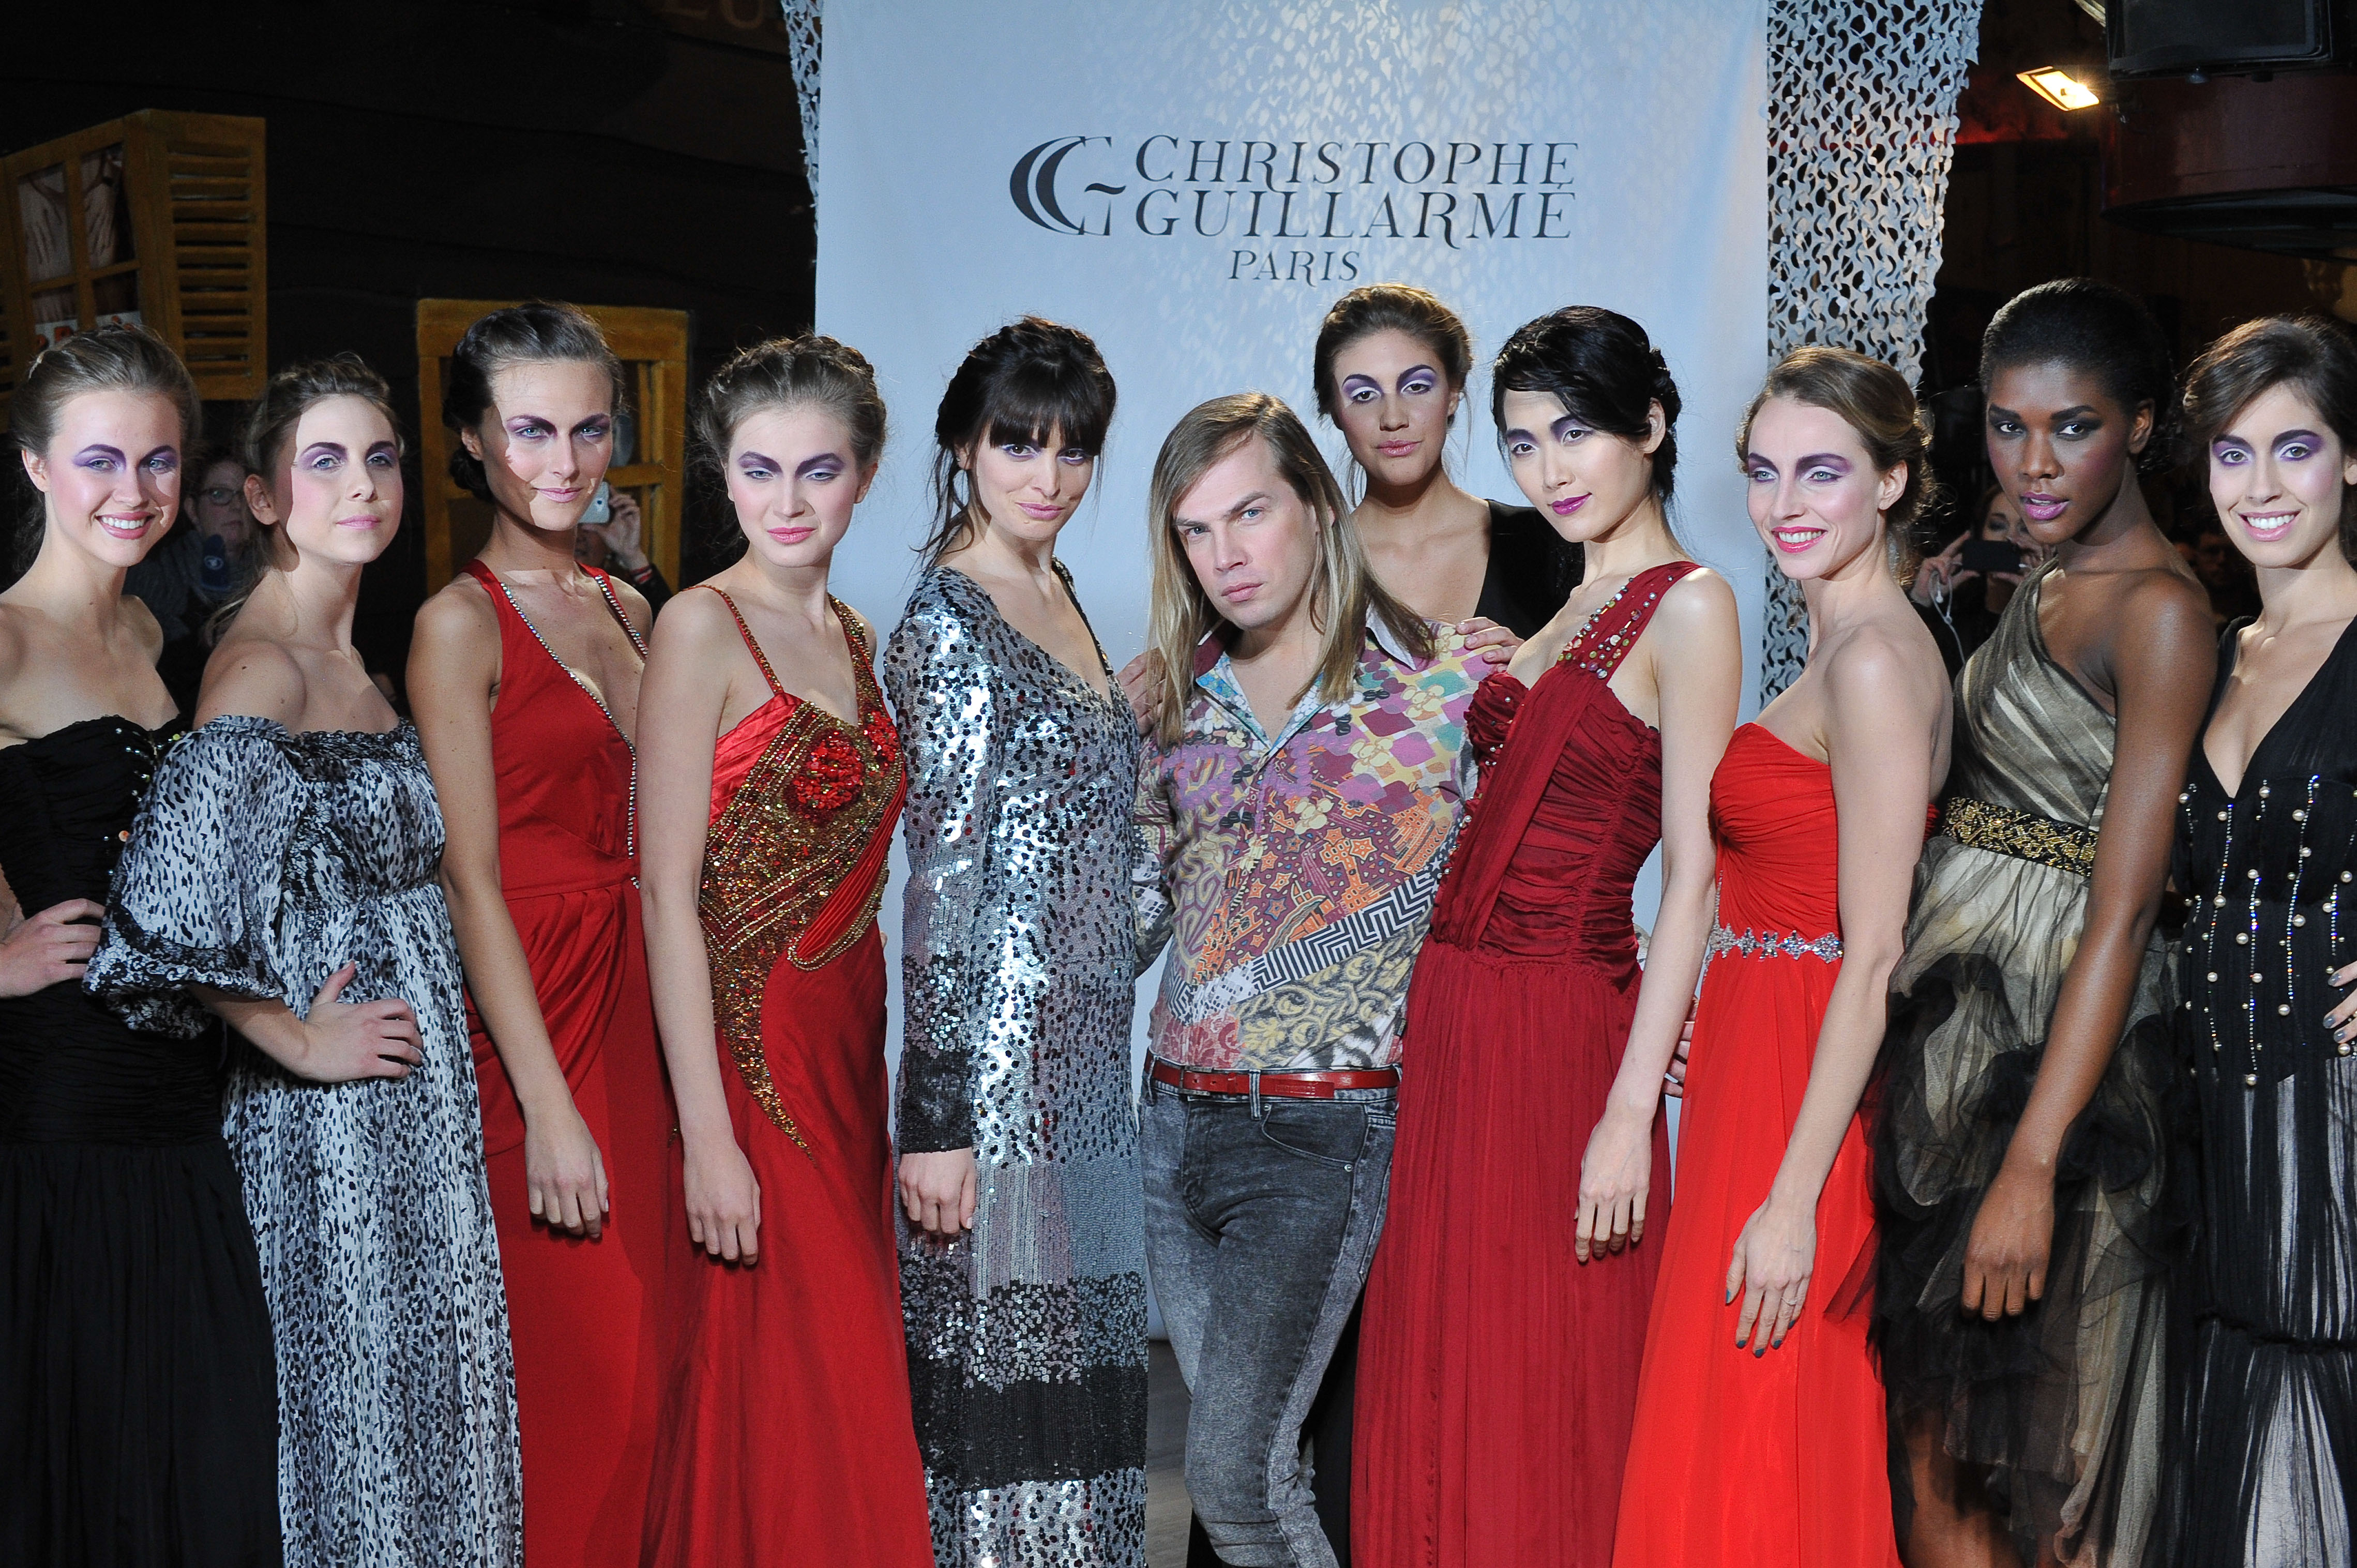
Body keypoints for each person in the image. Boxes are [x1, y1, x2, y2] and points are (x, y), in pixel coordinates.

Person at [87, 354, 523, 1567]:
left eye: (380, 457)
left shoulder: (356, 666)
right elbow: (163, 910)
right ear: (267, 498)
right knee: (352, 1417)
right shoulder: (261, 667)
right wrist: (295, 1039)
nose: (362, 484)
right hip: (325, 1134)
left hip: (418, 1105)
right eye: (324, 461)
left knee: (427, 1403)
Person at [1351, 307, 1742, 1567]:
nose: (1549, 470)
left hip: (1559, 1032)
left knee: (1541, 1381)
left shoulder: (1690, 605)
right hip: (1458, 1023)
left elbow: (1694, 877)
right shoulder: (1570, 601)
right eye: (1521, 444)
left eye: (1574, 433)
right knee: (1451, 1377)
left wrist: (1630, 1112)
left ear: (1651, 425)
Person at [1873, 280, 2212, 1568]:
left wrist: (2030, 1162)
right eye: (2008, 427)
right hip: (1967, 1032)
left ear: (2139, 426)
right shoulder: (2050, 576)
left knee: (2047, 1465)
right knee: (1945, 1454)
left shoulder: (2157, 609)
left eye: (2072, 426)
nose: (2032, 461)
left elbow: (2123, 914)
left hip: (2061, 1070)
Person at [1133, 391, 1491, 1568]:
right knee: (1250, 1479)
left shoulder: (1442, 693)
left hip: (1317, 1134)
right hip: (1169, 1131)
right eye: (1195, 529)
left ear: (1319, 507)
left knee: (1235, 1482)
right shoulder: (1173, 702)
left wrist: (1652, 993)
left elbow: (1516, 897)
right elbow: (1130, 923)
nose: (1225, 553)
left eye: (1250, 513)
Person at [1614, 346, 1951, 1568]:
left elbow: (1874, 953)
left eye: (1821, 471)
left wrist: (1795, 1201)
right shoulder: (1837, 640)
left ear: (1892, 480)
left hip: (1802, 1103)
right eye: (1763, 472)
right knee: (1738, 1427)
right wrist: (1719, 995)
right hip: (1763, 1062)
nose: (1784, 503)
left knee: (1765, 1430)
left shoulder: (1868, 660)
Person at [635, 335, 932, 1567]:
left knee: (833, 1377)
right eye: (759, 470)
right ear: (725, 473)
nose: (789, 500)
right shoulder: (699, 626)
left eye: (819, 470)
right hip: (750, 1064)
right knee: (791, 1368)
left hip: (849, 1051)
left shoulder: (858, 633)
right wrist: (708, 1137)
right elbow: (664, 895)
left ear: (864, 474)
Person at [0, 326, 281, 1566]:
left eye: (159, 460)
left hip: (182, 1112)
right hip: (61, 1120)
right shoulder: (5, 639)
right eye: (100, 459)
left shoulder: (157, 640)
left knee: (193, 1466)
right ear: (34, 465)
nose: (136, 490)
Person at [406, 302, 669, 1568]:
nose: (563, 461)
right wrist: (547, 1107)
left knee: (663, 1377)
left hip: (648, 1006)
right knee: (588, 1393)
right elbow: (468, 880)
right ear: (472, 439)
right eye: (528, 431)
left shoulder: (628, 605)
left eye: (587, 429)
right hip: (542, 1019)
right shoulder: (456, 624)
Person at [887, 318, 1148, 1565]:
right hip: (991, 1073)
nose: (1049, 476)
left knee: (1086, 1398)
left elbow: (1091, 857)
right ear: (961, 446)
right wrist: (934, 1120)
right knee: (1000, 1410)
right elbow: (939, 887)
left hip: (1086, 1063)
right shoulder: (950, 618)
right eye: (1017, 444)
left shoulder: (1059, 590)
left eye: (1073, 449)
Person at [2155, 313, 2357, 1567]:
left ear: (2351, 458)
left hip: (2339, 1118)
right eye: (2232, 454)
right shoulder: (2222, 653)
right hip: (2218, 1111)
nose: (2260, 487)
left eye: (2294, 448)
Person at [1316, 282, 1580, 636]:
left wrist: (1536, 664)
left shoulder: (1550, 545)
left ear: (1454, 393)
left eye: (1416, 387)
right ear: (1334, 410)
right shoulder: (1308, 566)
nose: (1393, 418)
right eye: (1364, 395)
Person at [1913, 482, 2049, 664]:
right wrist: (1921, 600)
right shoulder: (1951, 620)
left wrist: (2045, 601)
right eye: (1997, 526)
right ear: (1980, 533)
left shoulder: (2054, 614)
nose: (2010, 538)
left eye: (2026, 529)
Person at [576, 488, 674, 614]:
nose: (579, 536)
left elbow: (669, 623)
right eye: (573, 524)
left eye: (592, 519)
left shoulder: (626, 593)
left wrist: (633, 557)